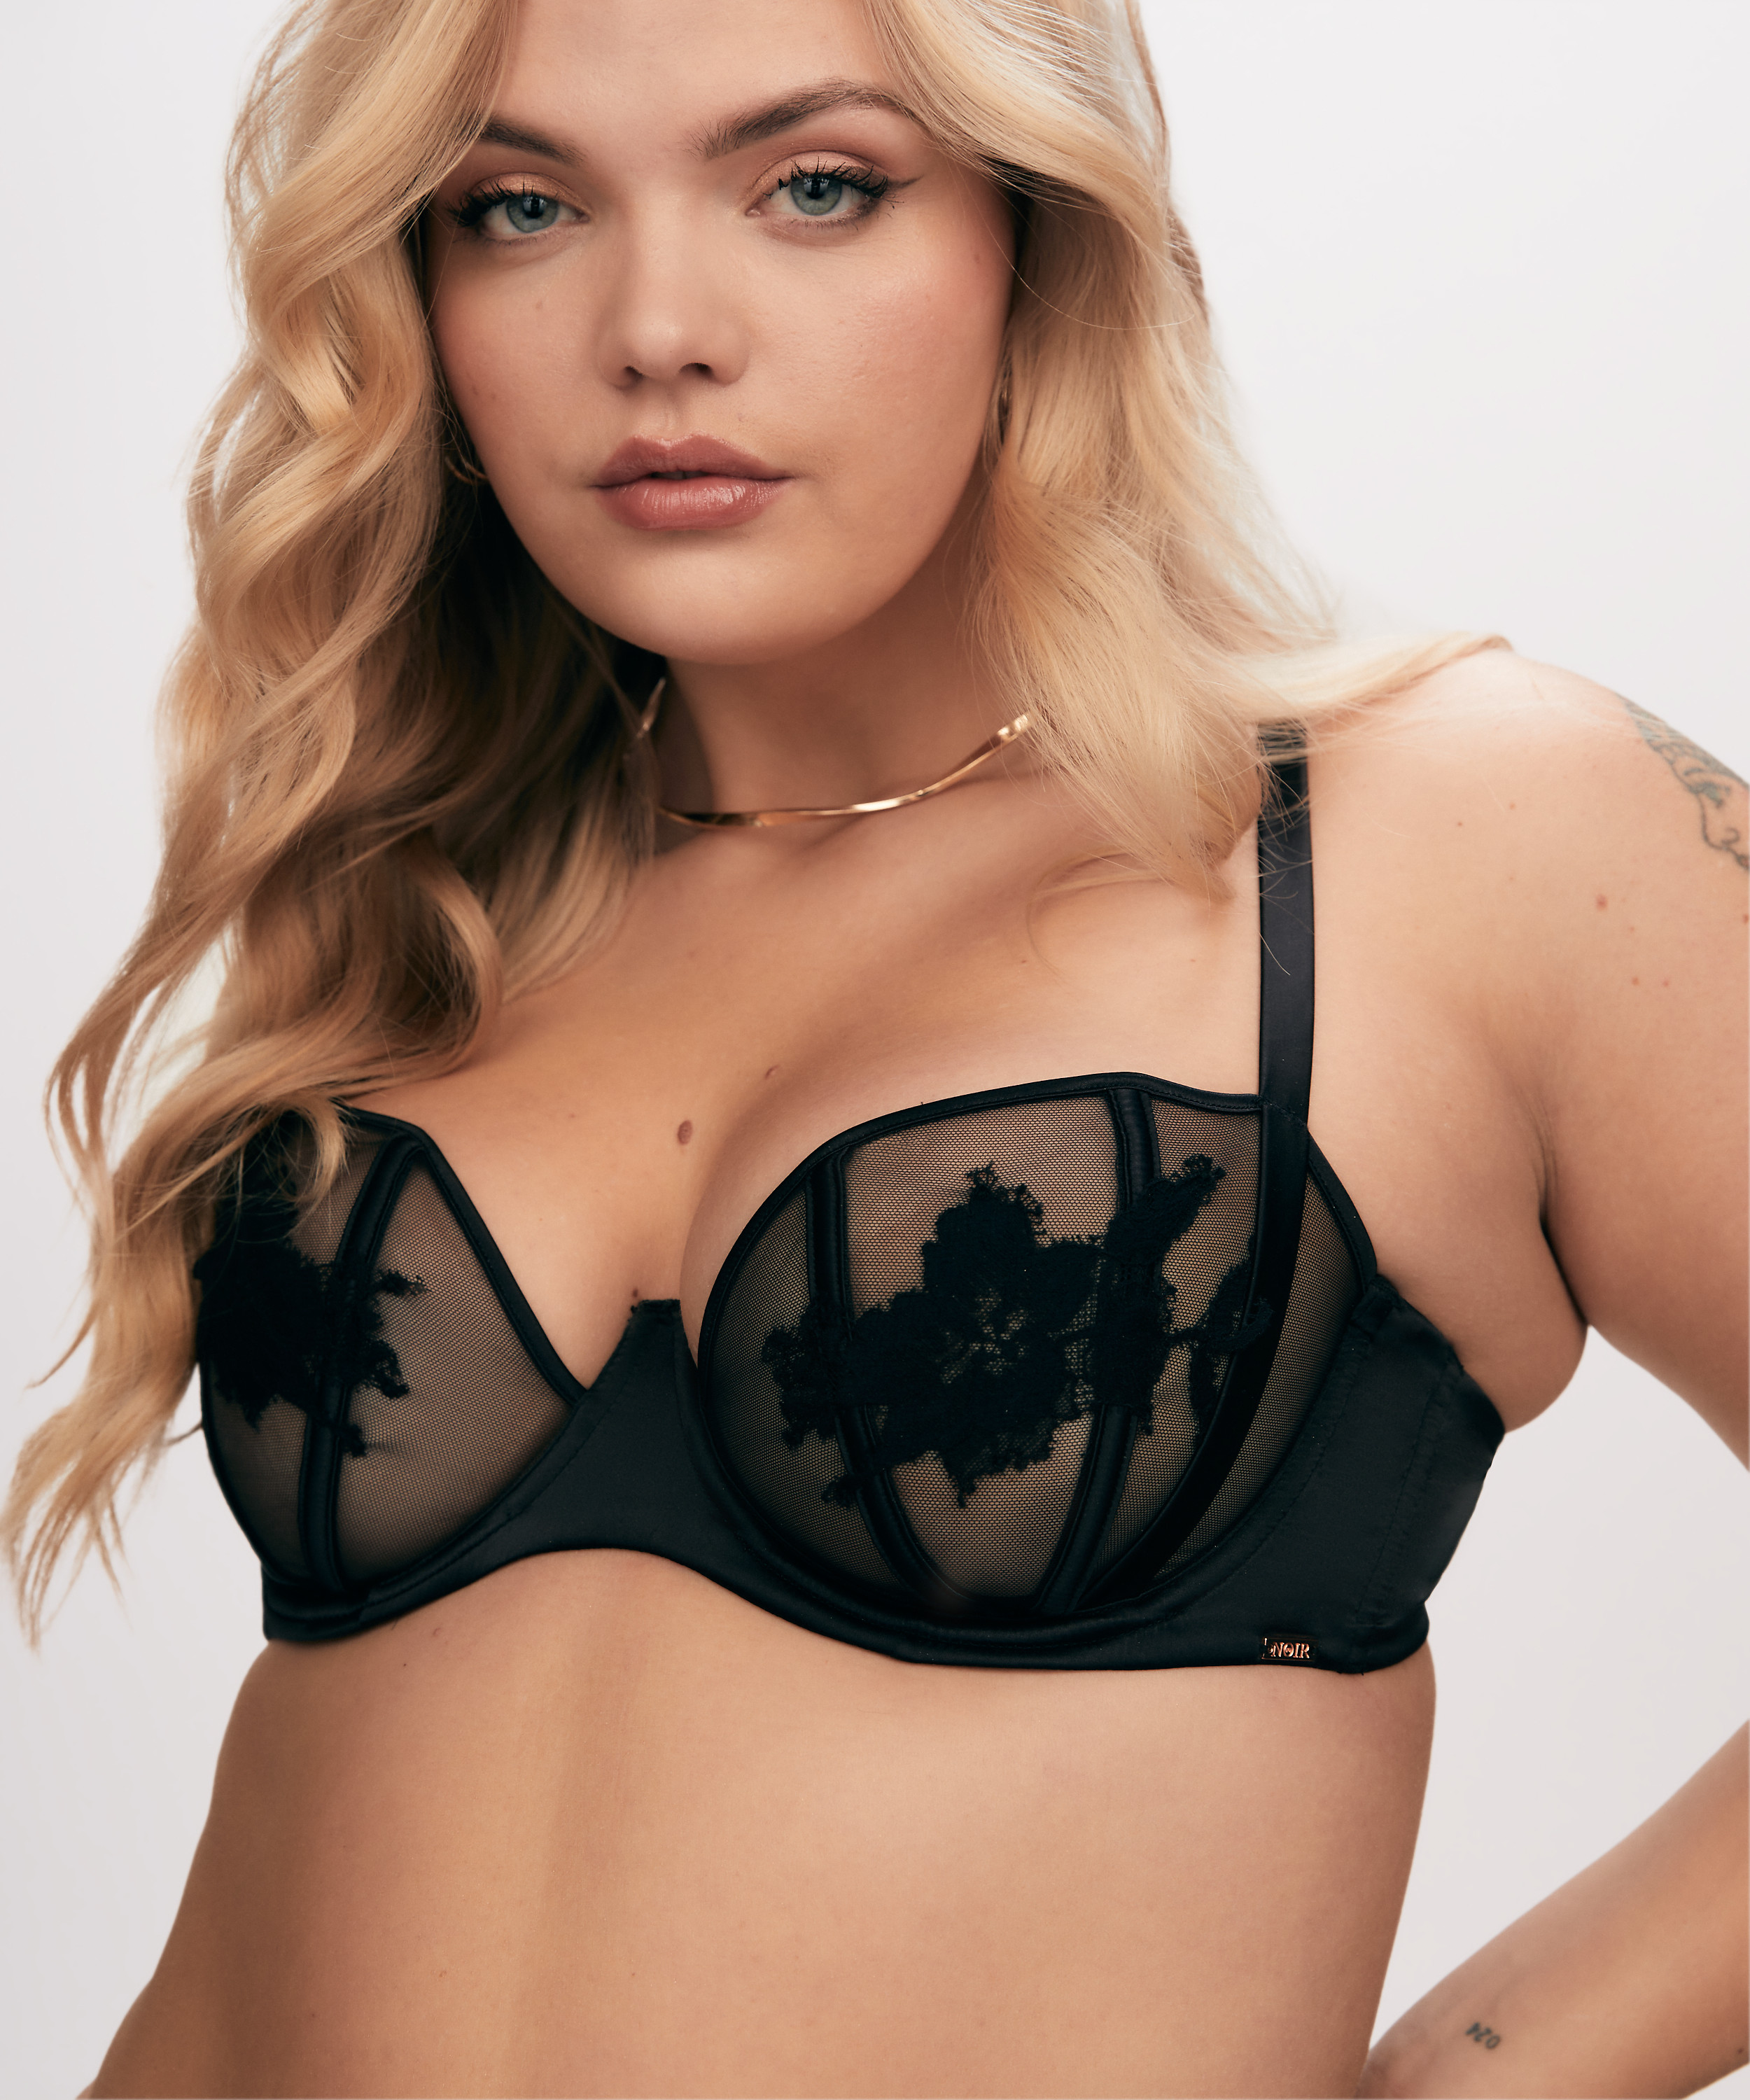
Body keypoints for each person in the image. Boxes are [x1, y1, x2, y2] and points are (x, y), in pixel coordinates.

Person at [7, 0, 1744, 2091]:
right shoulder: (437, 903)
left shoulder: (1454, 833)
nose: (658, 331)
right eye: (520, 208)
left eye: (816, 186)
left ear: (1037, 234)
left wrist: (1480, 2079)